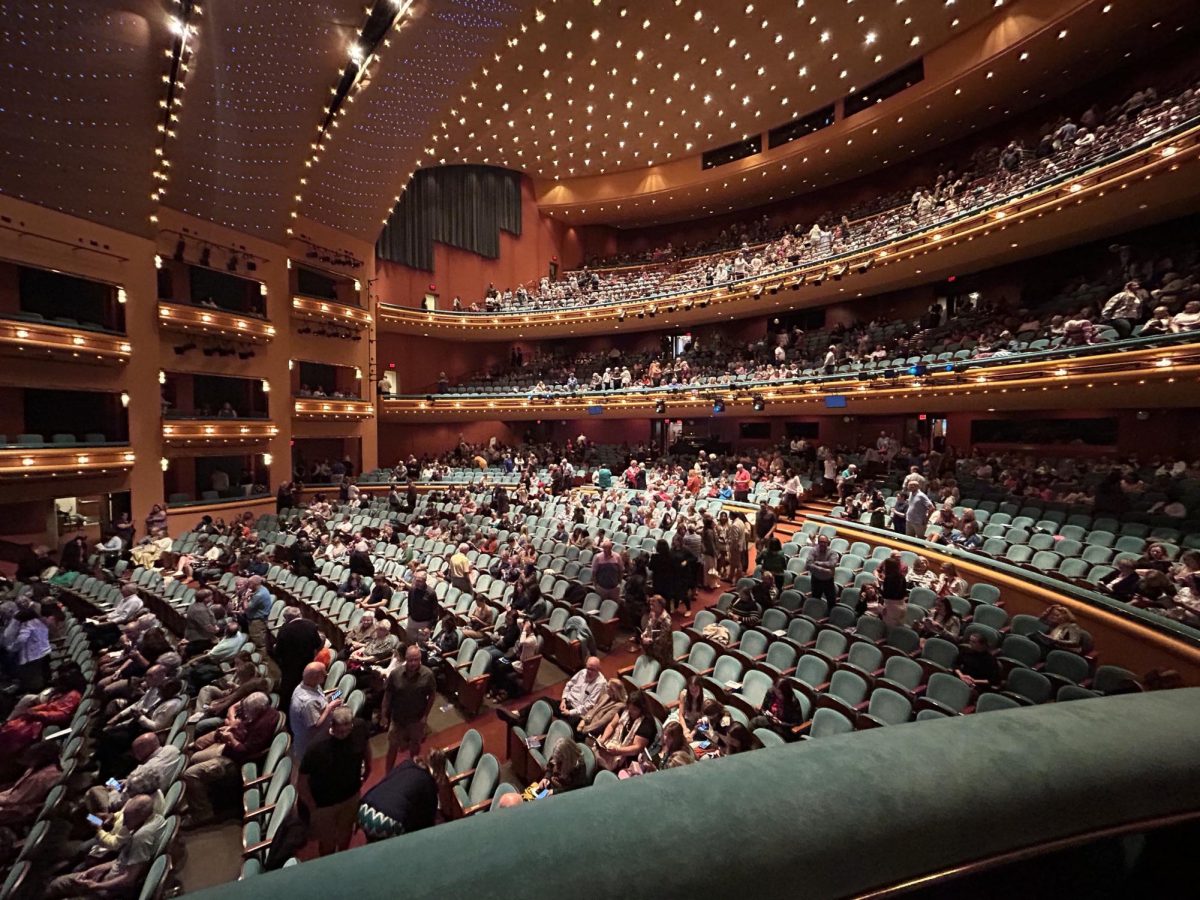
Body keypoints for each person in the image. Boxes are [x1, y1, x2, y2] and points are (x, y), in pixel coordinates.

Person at [182, 692, 280, 827]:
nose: (245, 714)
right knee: (194, 758)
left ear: (259, 709)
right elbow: (244, 728)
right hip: (229, 751)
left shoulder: (264, 724)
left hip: (236, 762)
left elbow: (246, 751)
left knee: (190, 775)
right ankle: (202, 798)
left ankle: (202, 815)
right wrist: (233, 729)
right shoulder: (258, 712)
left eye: (248, 711)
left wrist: (231, 739)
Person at [45, 795, 165, 900]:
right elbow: (123, 860)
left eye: (127, 820)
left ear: (141, 817)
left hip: (109, 888)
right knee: (57, 883)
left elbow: (129, 879)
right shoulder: (152, 817)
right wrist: (96, 870)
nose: (124, 823)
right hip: (109, 871)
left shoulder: (141, 838)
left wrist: (96, 886)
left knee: (57, 884)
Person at [298, 707, 370, 856]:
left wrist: (368, 768)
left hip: (350, 796)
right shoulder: (316, 748)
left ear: (352, 724)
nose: (343, 734)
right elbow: (302, 782)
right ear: (332, 726)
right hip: (324, 804)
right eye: (339, 731)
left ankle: (343, 858)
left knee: (346, 833)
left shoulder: (360, 727)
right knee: (327, 841)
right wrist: (312, 806)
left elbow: (365, 748)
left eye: (346, 730)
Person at [357, 756, 438, 842]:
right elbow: (428, 818)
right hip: (388, 821)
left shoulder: (406, 765)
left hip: (364, 809)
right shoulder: (428, 781)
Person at [382, 644, 436, 771]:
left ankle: (413, 771)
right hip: (397, 719)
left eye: (416, 659)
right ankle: (388, 774)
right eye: (411, 659)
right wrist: (384, 715)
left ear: (420, 659)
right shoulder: (396, 674)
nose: (413, 663)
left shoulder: (427, 675)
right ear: (406, 658)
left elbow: (432, 696)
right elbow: (387, 695)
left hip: (416, 719)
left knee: (415, 747)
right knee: (392, 747)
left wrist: (425, 716)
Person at [272, 607, 323, 714]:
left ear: (286, 619)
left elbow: (278, 652)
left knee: (288, 692)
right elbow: (318, 644)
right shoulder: (311, 625)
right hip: (307, 664)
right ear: (300, 615)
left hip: (289, 667)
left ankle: (285, 714)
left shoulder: (284, 630)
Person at [289, 662, 341, 764]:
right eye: (324, 674)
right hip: (312, 744)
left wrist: (331, 698)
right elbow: (316, 725)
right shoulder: (308, 702)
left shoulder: (310, 685)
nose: (327, 675)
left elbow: (320, 702)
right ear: (316, 677)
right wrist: (330, 707)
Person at [0, 740, 61, 826]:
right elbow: (14, 791)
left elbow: (15, 799)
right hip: (19, 799)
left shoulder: (39, 778)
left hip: (25, 810)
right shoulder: (44, 767)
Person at [594, 690, 656, 772]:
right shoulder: (625, 710)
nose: (631, 712)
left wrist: (618, 751)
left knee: (600, 765)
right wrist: (603, 739)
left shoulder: (647, 723)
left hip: (628, 757)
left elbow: (637, 748)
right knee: (593, 755)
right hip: (614, 745)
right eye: (630, 708)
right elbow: (612, 725)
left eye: (634, 709)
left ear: (642, 709)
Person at [558, 656, 606, 731]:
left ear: (598, 670)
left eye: (592, 670)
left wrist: (570, 712)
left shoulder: (600, 683)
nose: (589, 671)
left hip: (577, 712)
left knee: (562, 726)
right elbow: (569, 685)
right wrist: (563, 700)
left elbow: (589, 705)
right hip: (567, 703)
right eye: (588, 668)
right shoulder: (583, 672)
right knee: (544, 701)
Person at [639, 595, 673, 668]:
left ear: (660, 606)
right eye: (651, 605)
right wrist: (644, 634)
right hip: (651, 649)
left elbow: (663, 638)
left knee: (660, 670)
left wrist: (650, 641)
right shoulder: (653, 613)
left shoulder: (666, 620)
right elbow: (649, 626)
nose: (651, 607)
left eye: (654, 605)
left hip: (662, 652)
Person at [806, 534, 840, 605]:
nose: (823, 544)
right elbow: (808, 564)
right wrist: (824, 570)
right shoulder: (813, 550)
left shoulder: (832, 552)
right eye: (821, 542)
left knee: (831, 601)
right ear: (818, 542)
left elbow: (832, 564)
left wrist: (818, 563)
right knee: (815, 600)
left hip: (828, 581)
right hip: (816, 580)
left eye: (825, 542)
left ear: (827, 543)